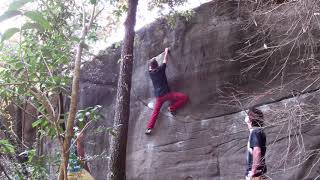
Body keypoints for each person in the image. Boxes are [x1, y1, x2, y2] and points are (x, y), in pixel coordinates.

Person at [145, 47, 188, 135]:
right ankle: (172, 108)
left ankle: (149, 128)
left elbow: (151, 67)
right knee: (184, 97)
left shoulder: (151, 73)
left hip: (159, 97)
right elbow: (165, 60)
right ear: (157, 65)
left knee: (155, 112)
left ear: (151, 67)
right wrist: (166, 52)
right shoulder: (161, 69)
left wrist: (151, 63)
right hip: (167, 94)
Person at [245, 107, 267, 180]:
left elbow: (257, 151)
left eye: (247, 115)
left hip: (256, 176)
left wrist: (253, 171)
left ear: (250, 118)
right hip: (258, 174)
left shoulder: (256, 132)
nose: (246, 117)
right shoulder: (257, 131)